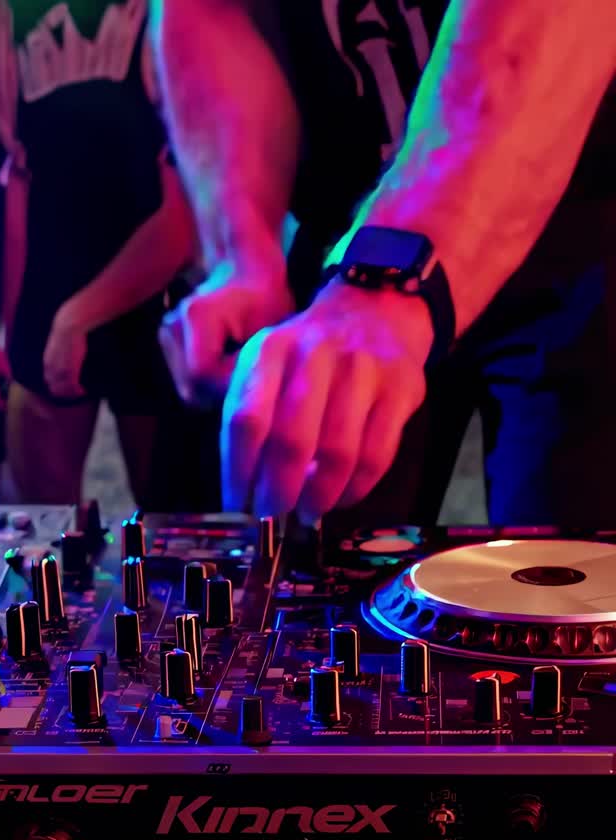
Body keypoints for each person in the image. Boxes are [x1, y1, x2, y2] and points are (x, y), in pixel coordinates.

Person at [153, 1, 616, 527]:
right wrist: (246, 254)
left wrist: (390, 272)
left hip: (582, 233)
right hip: (344, 249)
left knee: (574, 577)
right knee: (319, 567)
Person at [0, 0, 207, 508]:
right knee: (41, 532)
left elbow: (189, 213)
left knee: (177, 537)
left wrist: (77, 318)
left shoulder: (175, 13)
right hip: (44, 282)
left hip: (160, 291)